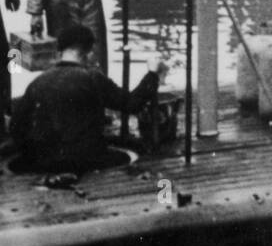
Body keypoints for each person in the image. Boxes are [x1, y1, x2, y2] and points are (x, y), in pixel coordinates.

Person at [9, 24, 166, 173]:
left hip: (43, 161)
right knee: (129, 156)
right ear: (89, 52)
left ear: (60, 52)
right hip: (85, 159)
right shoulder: (93, 77)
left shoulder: (37, 82)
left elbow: (16, 127)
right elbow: (133, 104)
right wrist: (152, 74)